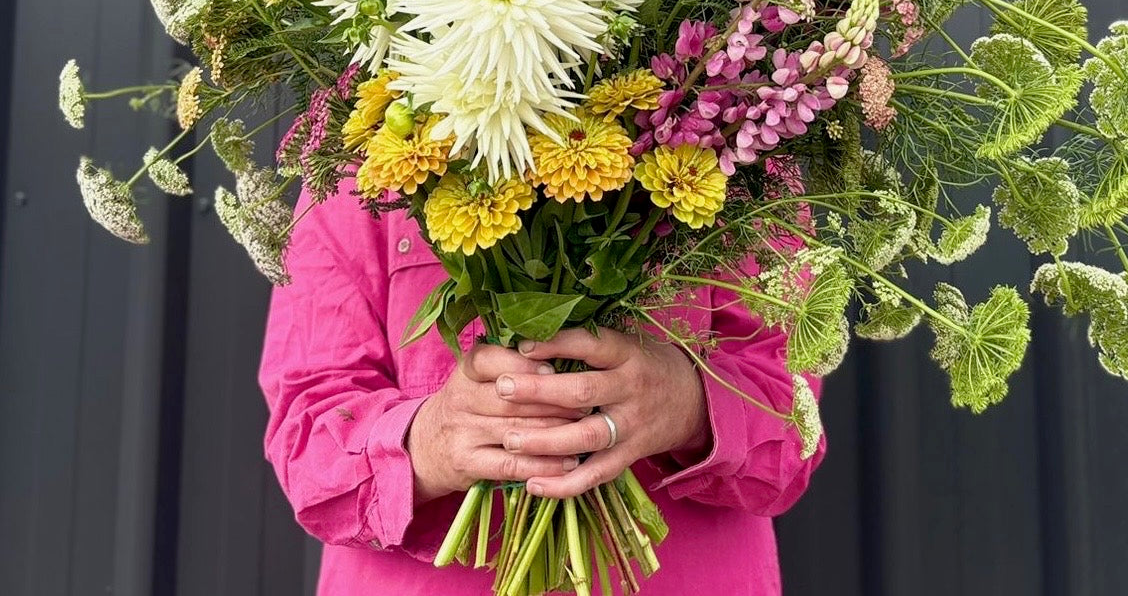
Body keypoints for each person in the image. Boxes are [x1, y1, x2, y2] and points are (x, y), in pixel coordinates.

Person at [260, 188, 825, 594]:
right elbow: (306, 434)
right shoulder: (362, 125)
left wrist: (687, 405)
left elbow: (792, 422)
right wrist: (429, 442)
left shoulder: (736, 115)